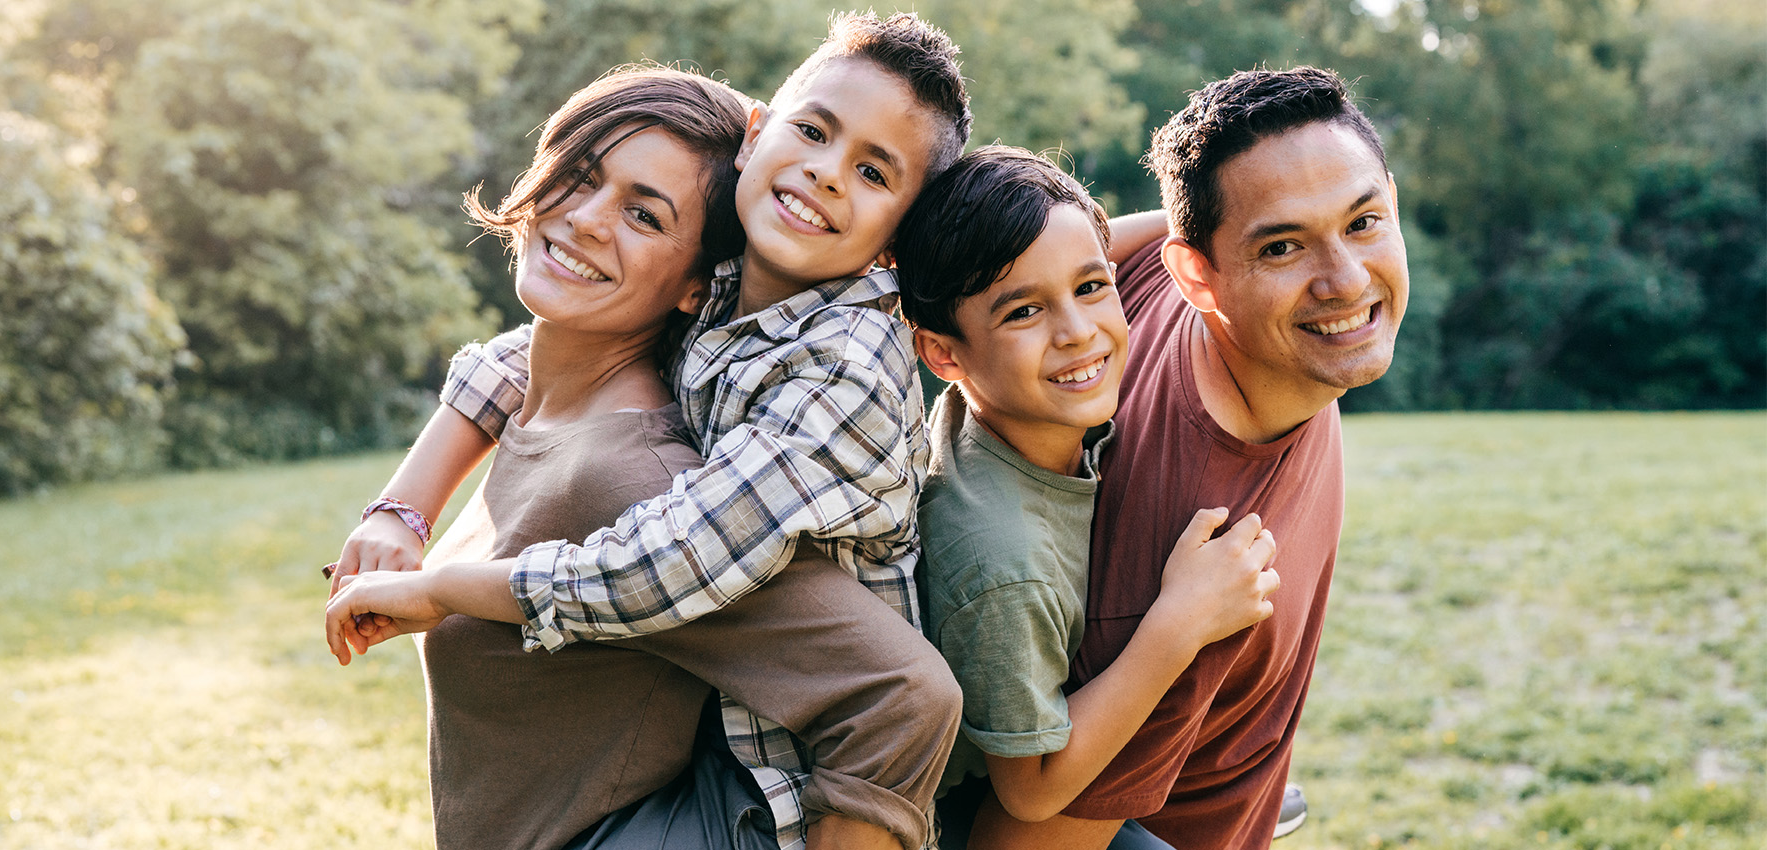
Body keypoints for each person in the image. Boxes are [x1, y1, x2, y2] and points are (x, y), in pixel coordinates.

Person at [324, 12, 975, 850]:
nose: (822, 173)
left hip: (765, 801)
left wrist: (441, 589)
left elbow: (896, 688)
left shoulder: (808, 387)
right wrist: (403, 510)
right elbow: (534, 354)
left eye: (645, 215)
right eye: (810, 131)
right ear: (758, 137)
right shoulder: (738, 303)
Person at [976, 66, 1407, 849]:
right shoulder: (1195, 564)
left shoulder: (1123, 283)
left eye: (1362, 221)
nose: (1345, 281)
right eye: (1283, 246)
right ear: (1200, 276)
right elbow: (1021, 839)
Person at [893, 146, 1281, 850]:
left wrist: (1237, 218)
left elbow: (1087, 243)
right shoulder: (1003, 560)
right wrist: (1180, 624)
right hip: (957, 817)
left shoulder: (1004, 408)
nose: (1076, 332)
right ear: (943, 354)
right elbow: (1030, 790)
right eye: (1024, 312)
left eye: (1093, 287)